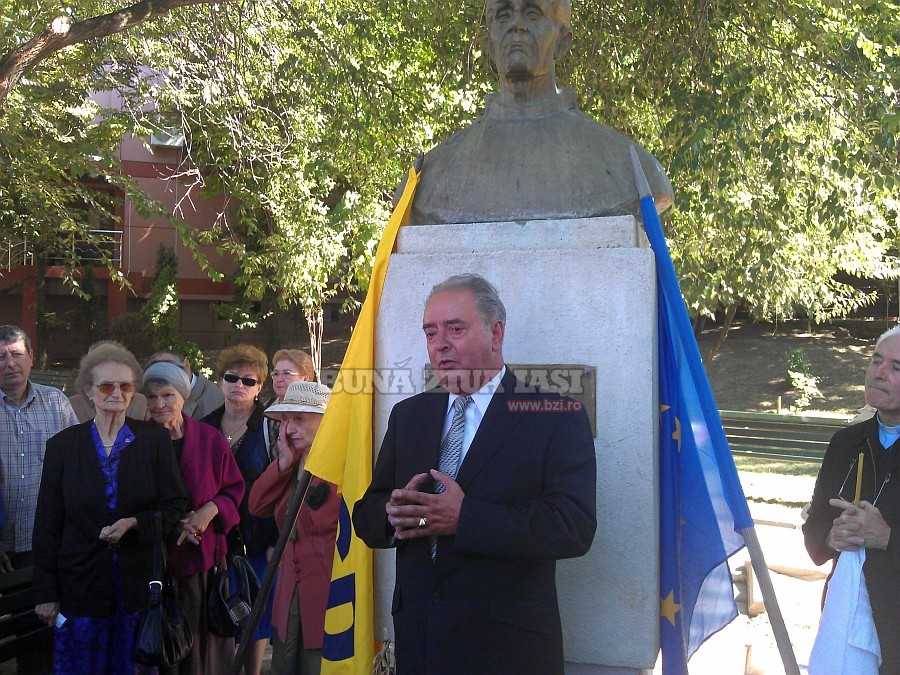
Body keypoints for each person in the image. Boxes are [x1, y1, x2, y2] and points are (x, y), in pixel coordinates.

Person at [352, 273, 597, 674]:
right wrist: (393, 516)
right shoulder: (409, 416)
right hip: (420, 643)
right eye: (431, 333)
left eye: (456, 329)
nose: (440, 344)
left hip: (506, 649)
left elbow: (573, 526)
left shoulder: (555, 416)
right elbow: (367, 513)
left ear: (495, 332)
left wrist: (466, 518)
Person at [402, 0, 673, 226]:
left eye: (532, 13)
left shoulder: (629, 168)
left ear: (562, 42)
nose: (516, 25)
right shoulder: (430, 179)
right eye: (504, 14)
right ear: (490, 44)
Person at [31, 342, 188, 673]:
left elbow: (175, 506)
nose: (116, 392)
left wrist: (135, 522)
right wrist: (45, 592)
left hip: (136, 589)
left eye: (126, 385)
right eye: (106, 385)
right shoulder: (63, 447)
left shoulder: (153, 441)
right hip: (79, 589)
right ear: (89, 390)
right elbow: (47, 524)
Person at [804, 325, 900, 673]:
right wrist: (831, 537)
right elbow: (813, 532)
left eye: (896, 367)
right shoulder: (845, 443)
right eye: (876, 361)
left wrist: (887, 537)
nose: (879, 372)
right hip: (845, 626)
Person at [143, 360, 245, 674]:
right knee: (161, 647)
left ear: (184, 396)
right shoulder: (136, 442)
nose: (159, 404)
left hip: (201, 562)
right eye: (151, 397)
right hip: (154, 561)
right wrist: (174, 523)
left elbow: (234, 490)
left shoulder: (210, 440)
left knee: (201, 651)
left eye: (167, 395)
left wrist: (208, 511)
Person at [0, 325, 78, 673]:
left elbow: (77, 468)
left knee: (37, 637)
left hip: (43, 544)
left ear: (32, 358)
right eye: (1, 356)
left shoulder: (56, 403)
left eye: (16, 354)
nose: (9, 363)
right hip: (1, 542)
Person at [248, 381, 338, 675]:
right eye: (286, 420)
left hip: (325, 594)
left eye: (299, 420)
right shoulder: (293, 462)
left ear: (326, 422)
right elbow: (256, 505)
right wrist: (282, 465)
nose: (289, 429)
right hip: (289, 593)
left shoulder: (340, 466)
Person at [201, 344, 278, 675]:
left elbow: (282, 484)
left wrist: (277, 540)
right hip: (217, 538)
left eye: (249, 381)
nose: (239, 386)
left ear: (260, 387)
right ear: (220, 381)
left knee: (255, 617)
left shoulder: (270, 425)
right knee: (223, 613)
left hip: (259, 537)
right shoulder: (203, 426)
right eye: (232, 377)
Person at [69, 340, 148, 422]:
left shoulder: (143, 403)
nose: (117, 394)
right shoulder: (69, 405)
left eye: (125, 386)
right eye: (106, 386)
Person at [265, 348, 316, 459]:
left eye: (286, 373)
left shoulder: (315, 411)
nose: (279, 379)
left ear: (306, 378)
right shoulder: (265, 408)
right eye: (276, 373)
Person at [148, 349, 225, 420]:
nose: (164, 374)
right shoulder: (146, 398)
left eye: (170, 368)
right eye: (156, 370)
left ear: (186, 364)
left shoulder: (216, 398)